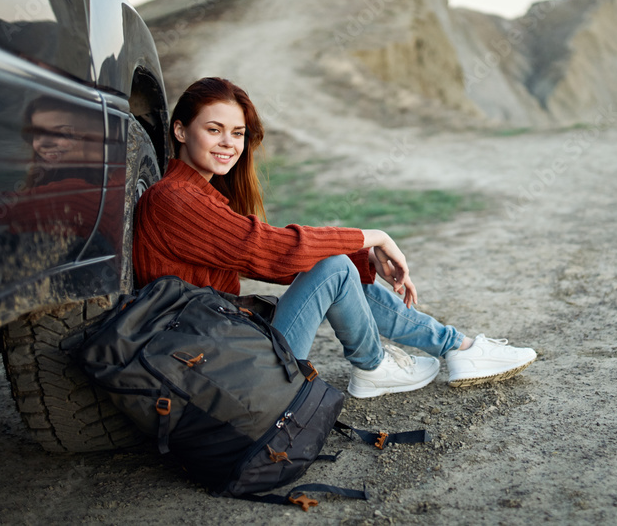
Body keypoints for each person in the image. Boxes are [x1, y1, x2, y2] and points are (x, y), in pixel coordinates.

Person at [133, 77, 536, 398]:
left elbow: (276, 259)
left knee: (340, 269)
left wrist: (363, 261)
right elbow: (273, 252)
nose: (228, 143)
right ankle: (376, 365)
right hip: (213, 367)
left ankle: (457, 349)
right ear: (181, 131)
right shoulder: (175, 200)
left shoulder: (196, 195)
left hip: (222, 349)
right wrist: (370, 238)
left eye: (237, 133)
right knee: (334, 265)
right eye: (214, 129)